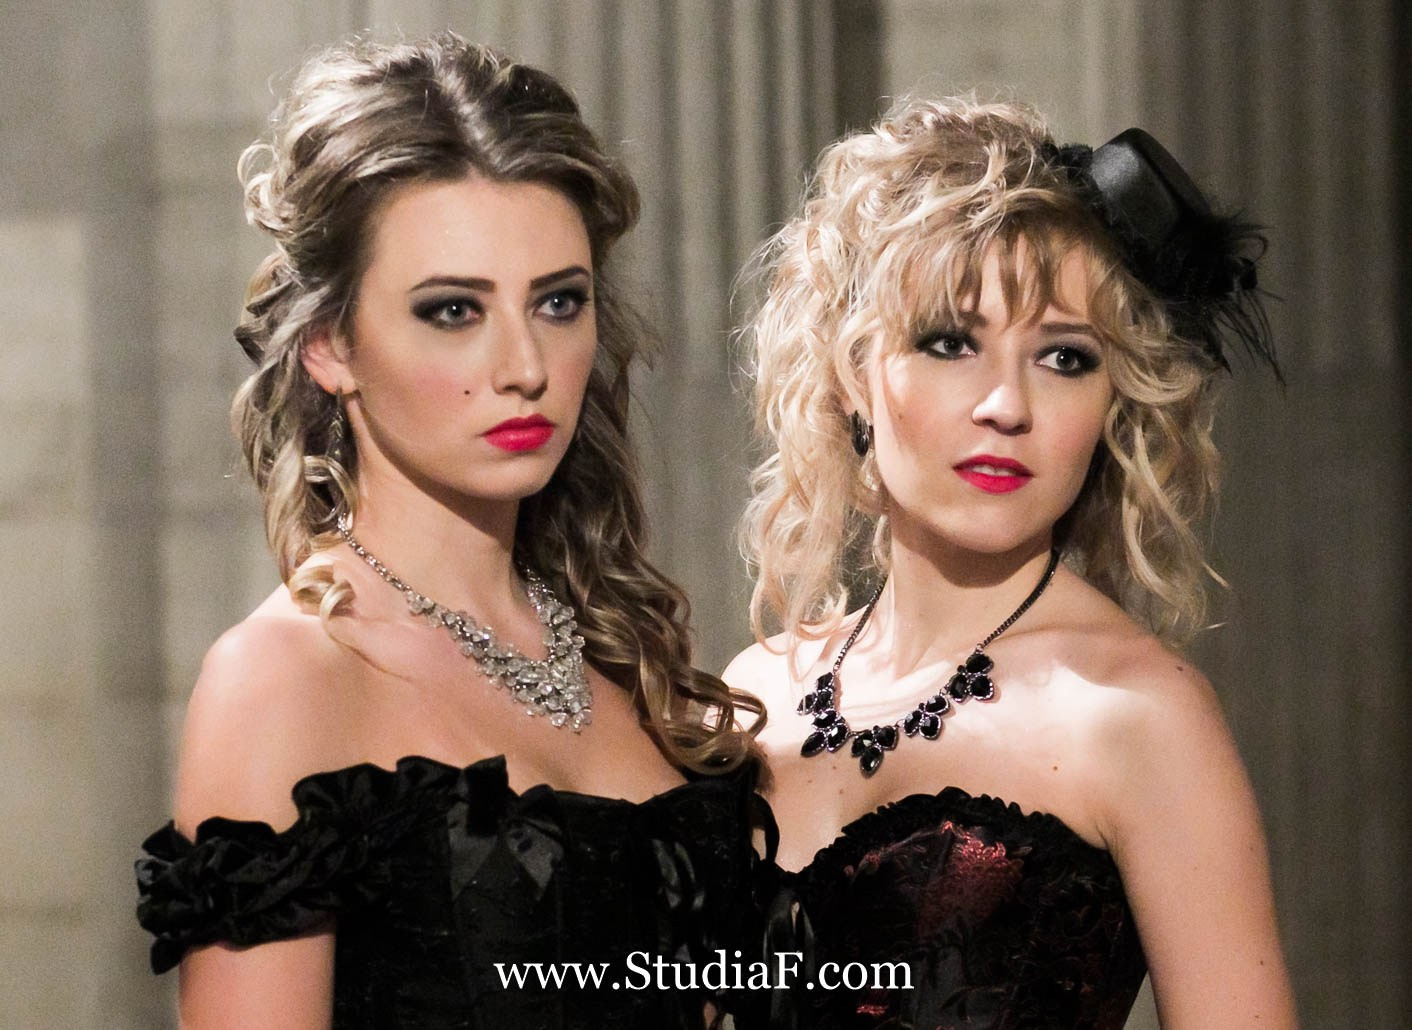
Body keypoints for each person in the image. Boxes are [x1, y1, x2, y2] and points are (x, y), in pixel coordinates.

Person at [135, 33, 765, 1029]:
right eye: (452, 311)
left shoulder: (619, 652)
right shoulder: (287, 678)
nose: (525, 366)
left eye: (558, 302)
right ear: (329, 345)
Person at [726, 98, 1297, 1028]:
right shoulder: (754, 692)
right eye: (950, 343)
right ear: (852, 374)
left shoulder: (1137, 715)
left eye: (1065, 358)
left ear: (1112, 403)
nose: (1007, 404)